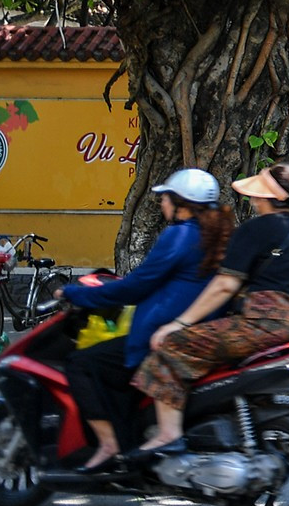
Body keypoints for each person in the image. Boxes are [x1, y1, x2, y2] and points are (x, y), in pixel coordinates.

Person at [132, 164, 289, 455]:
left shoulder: (256, 229)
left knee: (168, 349)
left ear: (265, 197)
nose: (252, 200)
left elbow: (224, 285)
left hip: (260, 327)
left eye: (256, 195)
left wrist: (179, 324)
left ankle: (168, 435)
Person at [59, 169, 232, 473]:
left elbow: (137, 286)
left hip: (163, 338)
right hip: (200, 337)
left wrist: (76, 294)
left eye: (165, 198)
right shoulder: (215, 236)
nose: (162, 204)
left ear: (181, 203)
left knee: (81, 363)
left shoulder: (179, 235)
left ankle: (109, 444)